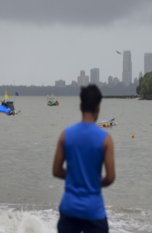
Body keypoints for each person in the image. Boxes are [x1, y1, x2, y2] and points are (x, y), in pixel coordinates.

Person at [52, 84, 115, 233]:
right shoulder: (105, 139)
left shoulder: (66, 134)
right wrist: (95, 180)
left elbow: (56, 171)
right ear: (98, 107)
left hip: (69, 208)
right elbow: (110, 178)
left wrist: (74, 176)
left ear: (80, 106)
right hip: (94, 210)